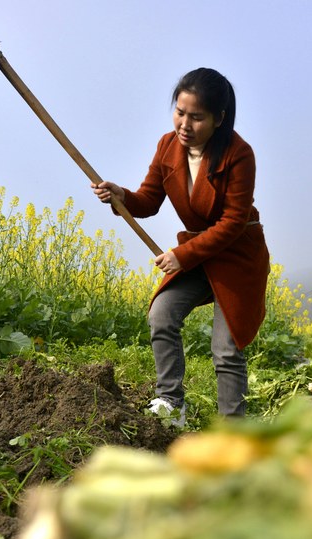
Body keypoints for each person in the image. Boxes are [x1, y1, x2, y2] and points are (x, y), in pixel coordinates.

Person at [93, 67, 270, 426]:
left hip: (237, 257)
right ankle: (171, 405)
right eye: (180, 112)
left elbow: (233, 222)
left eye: (196, 117)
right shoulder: (167, 146)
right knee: (162, 314)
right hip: (200, 255)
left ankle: (232, 432)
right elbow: (148, 200)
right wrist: (121, 196)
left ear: (219, 118)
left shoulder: (239, 155)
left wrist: (181, 255)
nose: (184, 125)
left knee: (226, 348)